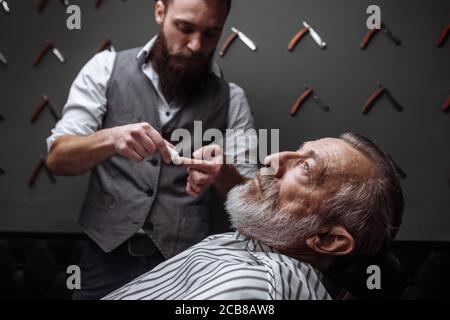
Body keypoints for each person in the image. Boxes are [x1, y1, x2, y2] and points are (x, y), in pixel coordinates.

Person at [46, 0, 257, 300]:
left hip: (188, 268)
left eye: (211, 34)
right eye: (185, 28)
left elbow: (252, 199)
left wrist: (221, 172)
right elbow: (57, 160)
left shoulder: (232, 99)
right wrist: (111, 138)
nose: (197, 46)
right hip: (103, 261)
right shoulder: (104, 69)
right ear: (160, 12)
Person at [103, 132, 404, 300]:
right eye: (298, 151)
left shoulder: (256, 286)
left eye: (306, 168)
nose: (273, 158)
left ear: (328, 240)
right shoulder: (255, 250)